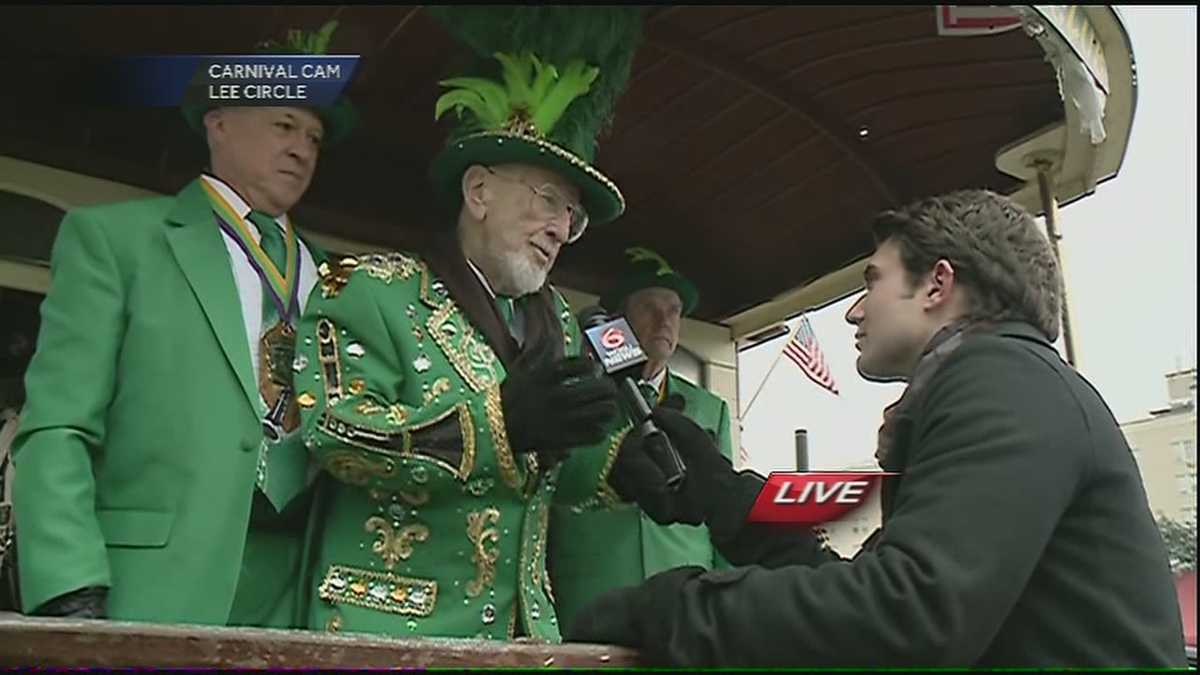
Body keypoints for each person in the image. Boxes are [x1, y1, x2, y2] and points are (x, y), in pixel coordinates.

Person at [566, 189, 1188, 668]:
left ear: (938, 284)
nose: (855, 310)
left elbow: (908, 612)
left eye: (872, 282)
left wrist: (672, 609)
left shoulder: (1003, 380)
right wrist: (727, 497)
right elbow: (862, 584)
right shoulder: (999, 385)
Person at [292, 6, 642, 641]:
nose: (562, 229)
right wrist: (497, 424)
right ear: (478, 191)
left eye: (572, 216)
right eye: (547, 201)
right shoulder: (368, 289)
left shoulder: (560, 322)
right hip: (392, 636)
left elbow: (551, 478)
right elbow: (332, 432)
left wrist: (622, 461)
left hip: (524, 639)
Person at [10, 22, 356, 626]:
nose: (302, 148)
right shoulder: (117, 241)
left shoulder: (339, 281)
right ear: (218, 122)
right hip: (149, 589)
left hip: (299, 598)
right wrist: (69, 583)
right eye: (283, 124)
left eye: (314, 136)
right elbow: (58, 425)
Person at [549, 246, 734, 635]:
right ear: (617, 321)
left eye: (674, 310)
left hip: (683, 601)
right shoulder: (578, 395)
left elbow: (723, 504)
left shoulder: (708, 408)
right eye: (650, 307)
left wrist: (726, 598)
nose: (664, 321)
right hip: (591, 594)